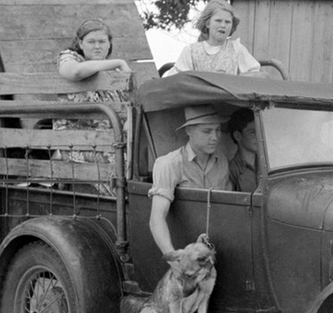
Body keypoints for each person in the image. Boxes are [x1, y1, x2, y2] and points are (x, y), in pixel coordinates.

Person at [148, 105, 232, 255]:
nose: (215, 137)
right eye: (207, 131)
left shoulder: (222, 161)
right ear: (189, 131)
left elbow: (228, 209)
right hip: (183, 250)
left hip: (218, 248)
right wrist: (173, 257)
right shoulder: (169, 164)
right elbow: (157, 218)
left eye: (218, 130)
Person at [54, 19, 132, 175]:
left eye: (102, 41)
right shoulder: (69, 58)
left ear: (109, 44)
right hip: (78, 143)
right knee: (120, 168)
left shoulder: (113, 74)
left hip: (112, 142)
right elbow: (75, 72)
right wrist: (119, 62)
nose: (97, 46)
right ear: (81, 44)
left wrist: (130, 119)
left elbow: (131, 102)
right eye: (91, 41)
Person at [164, 0, 262, 77]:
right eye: (218, 21)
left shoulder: (237, 49)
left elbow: (256, 76)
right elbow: (176, 79)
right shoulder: (191, 51)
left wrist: (233, 80)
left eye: (227, 22)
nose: (223, 25)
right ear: (207, 23)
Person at [227, 108, 258, 192]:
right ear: (238, 136)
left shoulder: (267, 164)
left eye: (260, 132)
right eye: (253, 132)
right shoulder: (230, 171)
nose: (260, 137)